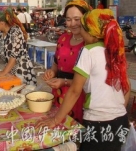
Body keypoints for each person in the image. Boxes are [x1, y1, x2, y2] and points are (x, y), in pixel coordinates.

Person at [36, 9, 130, 151]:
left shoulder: (88, 51)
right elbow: (126, 86)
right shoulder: (114, 51)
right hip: (121, 120)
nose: (79, 31)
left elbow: (74, 90)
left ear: (90, 31)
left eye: (82, 28)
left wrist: (55, 120)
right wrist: (117, 110)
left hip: (98, 122)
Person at [42, 0, 91, 123]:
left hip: (78, 96)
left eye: (77, 19)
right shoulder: (63, 38)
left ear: (86, 19)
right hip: (59, 93)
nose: (72, 24)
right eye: (68, 20)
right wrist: (51, 72)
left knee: (74, 133)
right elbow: (56, 64)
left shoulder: (89, 44)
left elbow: (90, 80)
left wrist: (64, 82)